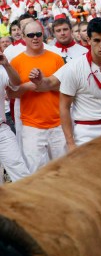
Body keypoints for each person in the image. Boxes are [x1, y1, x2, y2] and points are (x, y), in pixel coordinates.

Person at [29, 18, 101, 149]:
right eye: (97, 40)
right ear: (89, 40)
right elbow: (64, 106)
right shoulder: (74, 67)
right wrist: (70, 143)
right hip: (86, 133)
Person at [9, 21, 66, 172]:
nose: (35, 38)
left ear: (43, 34)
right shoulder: (16, 62)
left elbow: (66, 86)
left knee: (64, 171)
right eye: (31, 35)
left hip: (58, 124)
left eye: (38, 34)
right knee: (36, 173)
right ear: (23, 37)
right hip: (31, 126)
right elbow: (10, 93)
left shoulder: (56, 58)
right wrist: (28, 86)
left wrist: (44, 84)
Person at [0, 48, 30, 183]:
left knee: (21, 171)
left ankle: (29, 202)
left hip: (2, 130)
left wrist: (6, 64)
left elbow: (16, 83)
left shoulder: (1, 70)